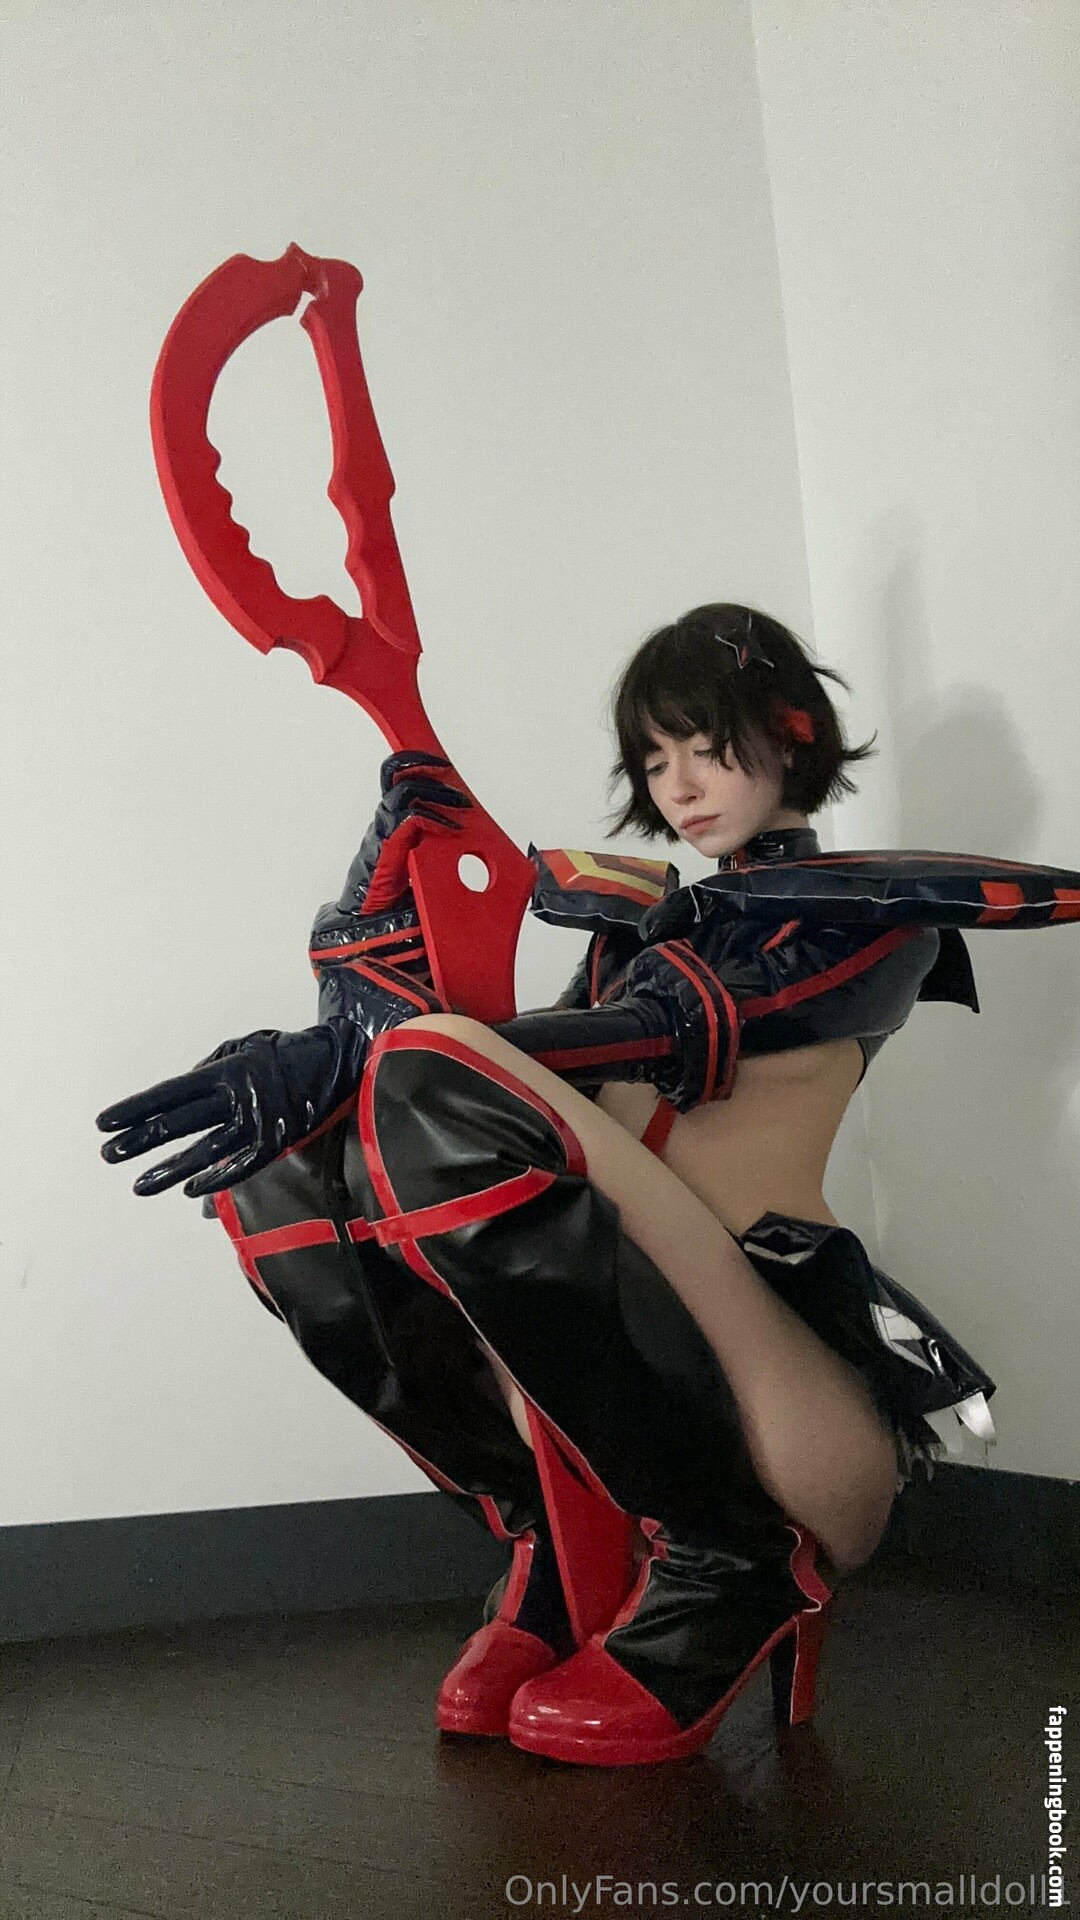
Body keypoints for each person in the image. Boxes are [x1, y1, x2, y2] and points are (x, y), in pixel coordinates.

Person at [97, 602, 1075, 1768]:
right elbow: (509, 1069)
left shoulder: (875, 919)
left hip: (779, 1385)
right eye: (655, 761)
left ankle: (735, 1564)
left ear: (792, 732)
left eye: (706, 747)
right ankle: (553, 1548)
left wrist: (369, 1050)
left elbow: (663, 1032)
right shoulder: (637, 928)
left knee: (428, 1074)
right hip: (610, 1339)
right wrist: (357, 951)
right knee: (291, 1167)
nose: (680, 786)